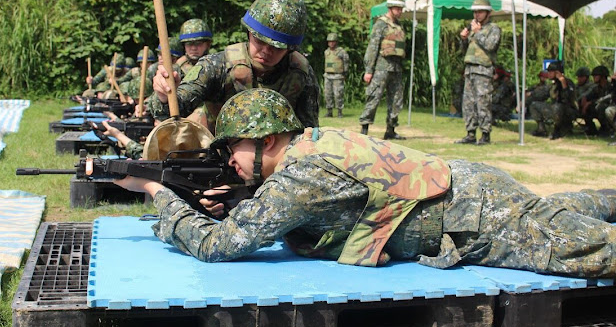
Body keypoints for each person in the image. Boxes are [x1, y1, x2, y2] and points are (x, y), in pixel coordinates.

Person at [116, 88, 616, 278]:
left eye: (233, 149)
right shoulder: (309, 147)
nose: (229, 160)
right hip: (472, 194)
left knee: (596, 252)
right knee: (566, 211)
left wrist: (159, 195)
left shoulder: (300, 178)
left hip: (478, 218)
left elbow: (218, 246)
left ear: (267, 140)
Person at [148, 0, 320, 133]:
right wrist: (164, 96)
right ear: (249, 33)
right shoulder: (217, 66)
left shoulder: (301, 72)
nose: (266, 51)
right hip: (219, 155)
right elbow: (171, 111)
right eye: (260, 41)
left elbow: (309, 131)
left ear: (291, 47)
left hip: (277, 158)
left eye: (277, 47)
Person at [359, 0, 406, 140]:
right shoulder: (381, 24)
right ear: (390, 8)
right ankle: (364, 129)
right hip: (381, 68)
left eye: (401, 8)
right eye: (397, 8)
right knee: (373, 97)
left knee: (396, 100)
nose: (400, 11)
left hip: (396, 68)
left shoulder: (399, 26)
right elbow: (372, 48)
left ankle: (390, 130)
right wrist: (369, 70)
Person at [454, 0, 501, 145]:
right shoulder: (474, 29)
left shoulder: (493, 29)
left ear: (488, 13)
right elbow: (465, 51)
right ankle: (470, 133)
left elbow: (491, 46)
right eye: (475, 12)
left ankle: (485, 134)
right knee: (468, 103)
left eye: (480, 12)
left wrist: (478, 32)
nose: (477, 15)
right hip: (470, 70)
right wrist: (463, 39)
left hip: (483, 70)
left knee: (483, 102)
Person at [530, 61, 578, 139]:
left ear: (557, 73)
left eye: (550, 72)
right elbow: (542, 94)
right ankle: (541, 129)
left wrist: (563, 83)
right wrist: (530, 94)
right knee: (534, 105)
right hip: (556, 109)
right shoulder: (554, 85)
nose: (548, 74)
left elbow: (568, 98)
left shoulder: (568, 82)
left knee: (557, 107)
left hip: (568, 111)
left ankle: (559, 129)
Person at [323, 32, 350, 118]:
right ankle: (329, 111)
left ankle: (339, 112)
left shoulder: (341, 52)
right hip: (327, 76)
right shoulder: (326, 52)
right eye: (329, 41)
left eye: (333, 41)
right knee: (327, 94)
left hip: (338, 76)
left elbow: (346, 63)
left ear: (336, 42)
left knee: (338, 94)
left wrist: (345, 73)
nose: (331, 43)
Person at [580, 65, 611, 136]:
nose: (594, 77)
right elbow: (590, 96)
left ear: (602, 76)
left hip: (609, 108)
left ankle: (605, 128)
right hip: (598, 106)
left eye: (596, 75)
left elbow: (608, 99)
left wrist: (590, 102)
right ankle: (591, 128)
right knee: (586, 107)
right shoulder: (596, 88)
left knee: (601, 107)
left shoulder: (610, 86)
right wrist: (584, 99)